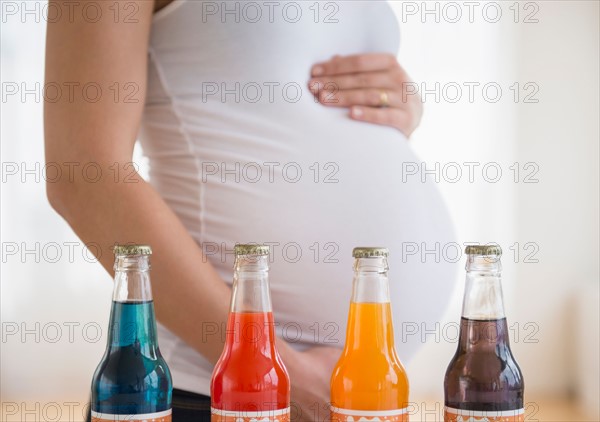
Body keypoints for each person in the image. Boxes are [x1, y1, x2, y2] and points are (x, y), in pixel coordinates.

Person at [44, 1, 456, 421]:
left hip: (354, 397)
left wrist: (394, 108)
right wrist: (275, 373)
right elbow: (84, 174)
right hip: (217, 393)